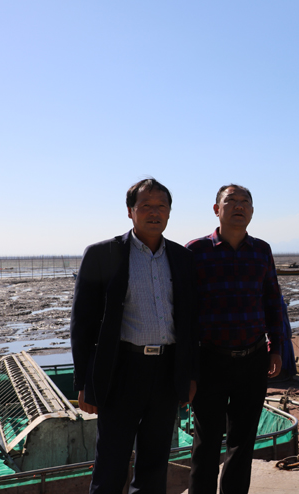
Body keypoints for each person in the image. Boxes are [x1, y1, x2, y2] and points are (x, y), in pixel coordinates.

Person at [70, 178, 198, 493]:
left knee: (155, 465)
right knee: (111, 464)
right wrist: (84, 382)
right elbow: (82, 324)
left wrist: (189, 375)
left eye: (161, 206)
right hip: (121, 371)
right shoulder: (103, 254)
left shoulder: (182, 258)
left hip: (166, 372)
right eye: (146, 206)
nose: (154, 213)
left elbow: (191, 322)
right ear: (130, 211)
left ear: (169, 212)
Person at [186, 184, 284, 494]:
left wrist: (276, 348)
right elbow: (184, 311)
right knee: (207, 442)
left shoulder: (261, 250)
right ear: (217, 209)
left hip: (253, 359)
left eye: (245, 202)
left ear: (252, 211)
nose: (239, 206)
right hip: (209, 359)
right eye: (231, 201)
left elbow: (272, 301)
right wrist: (186, 364)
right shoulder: (196, 251)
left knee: (243, 443)